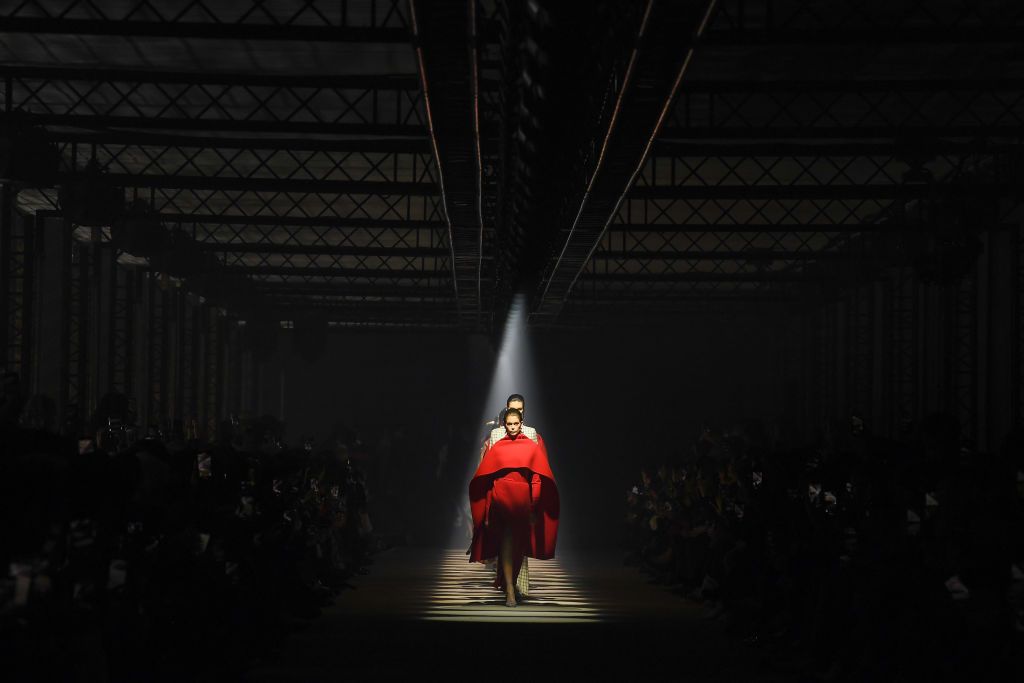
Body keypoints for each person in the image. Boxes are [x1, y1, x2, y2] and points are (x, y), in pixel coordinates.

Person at [469, 407, 559, 607]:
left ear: (521, 423)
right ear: (504, 424)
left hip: (522, 503)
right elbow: (489, 477)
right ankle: (509, 589)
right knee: (507, 544)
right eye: (508, 424)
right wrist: (487, 508)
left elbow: (537, 478)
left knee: (518, 547)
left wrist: (534, 506)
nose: (512, 427)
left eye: (515, 424)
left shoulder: (531, 446)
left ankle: (507, 584)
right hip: (501, 499)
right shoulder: (498, 446)